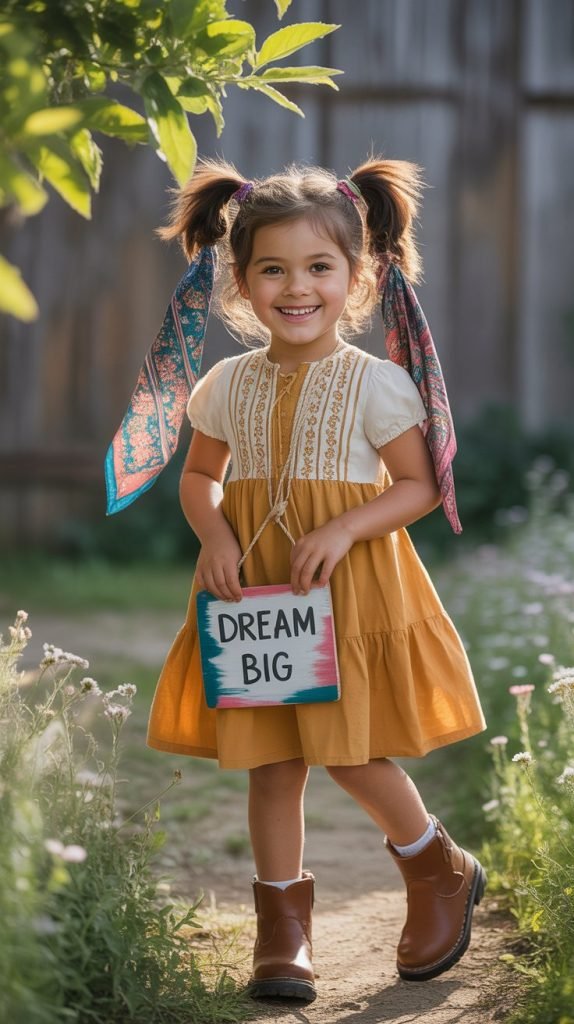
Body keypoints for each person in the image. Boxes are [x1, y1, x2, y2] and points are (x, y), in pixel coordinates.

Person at [144, 157, 487, 1002]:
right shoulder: (226, 384)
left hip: (349, 588)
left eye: (319, 268)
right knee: (272, 765)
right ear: (242, 279)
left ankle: (436, 867)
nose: (296, 288)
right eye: (274, 269)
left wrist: (343, 525)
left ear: (359, 276)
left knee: (354, 755)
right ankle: (283, 933)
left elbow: (415, 485)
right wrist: (214, 533)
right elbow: (198, 479)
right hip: (257, 596)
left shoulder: (377, 385)